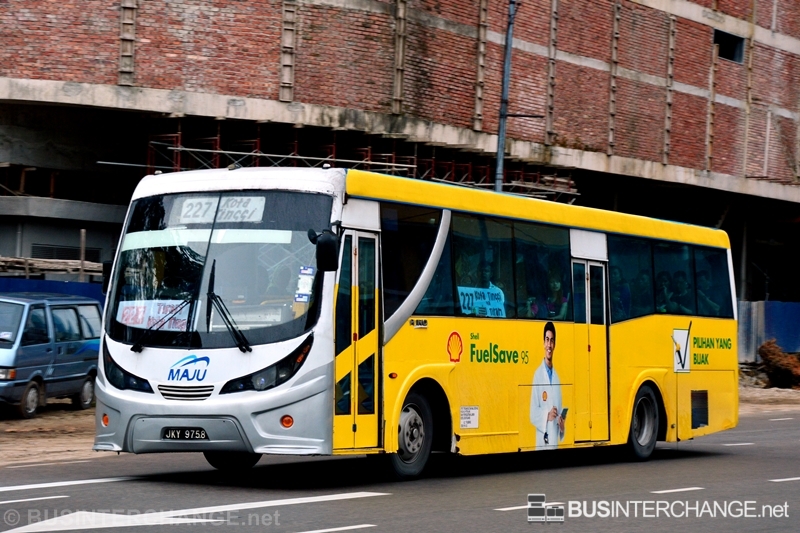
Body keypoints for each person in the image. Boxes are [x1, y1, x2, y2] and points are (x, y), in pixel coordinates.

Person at [530, 322, 564, 449]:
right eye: (547, 340)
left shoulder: (557, 378)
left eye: (552, 341)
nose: (549, 345)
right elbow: (532, 413)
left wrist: (562, 425)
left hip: (554, 443)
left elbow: (560, 413)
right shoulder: (537, 375)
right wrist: (547, 415)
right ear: (544, 343)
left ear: (554, 344)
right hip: (542, 443)